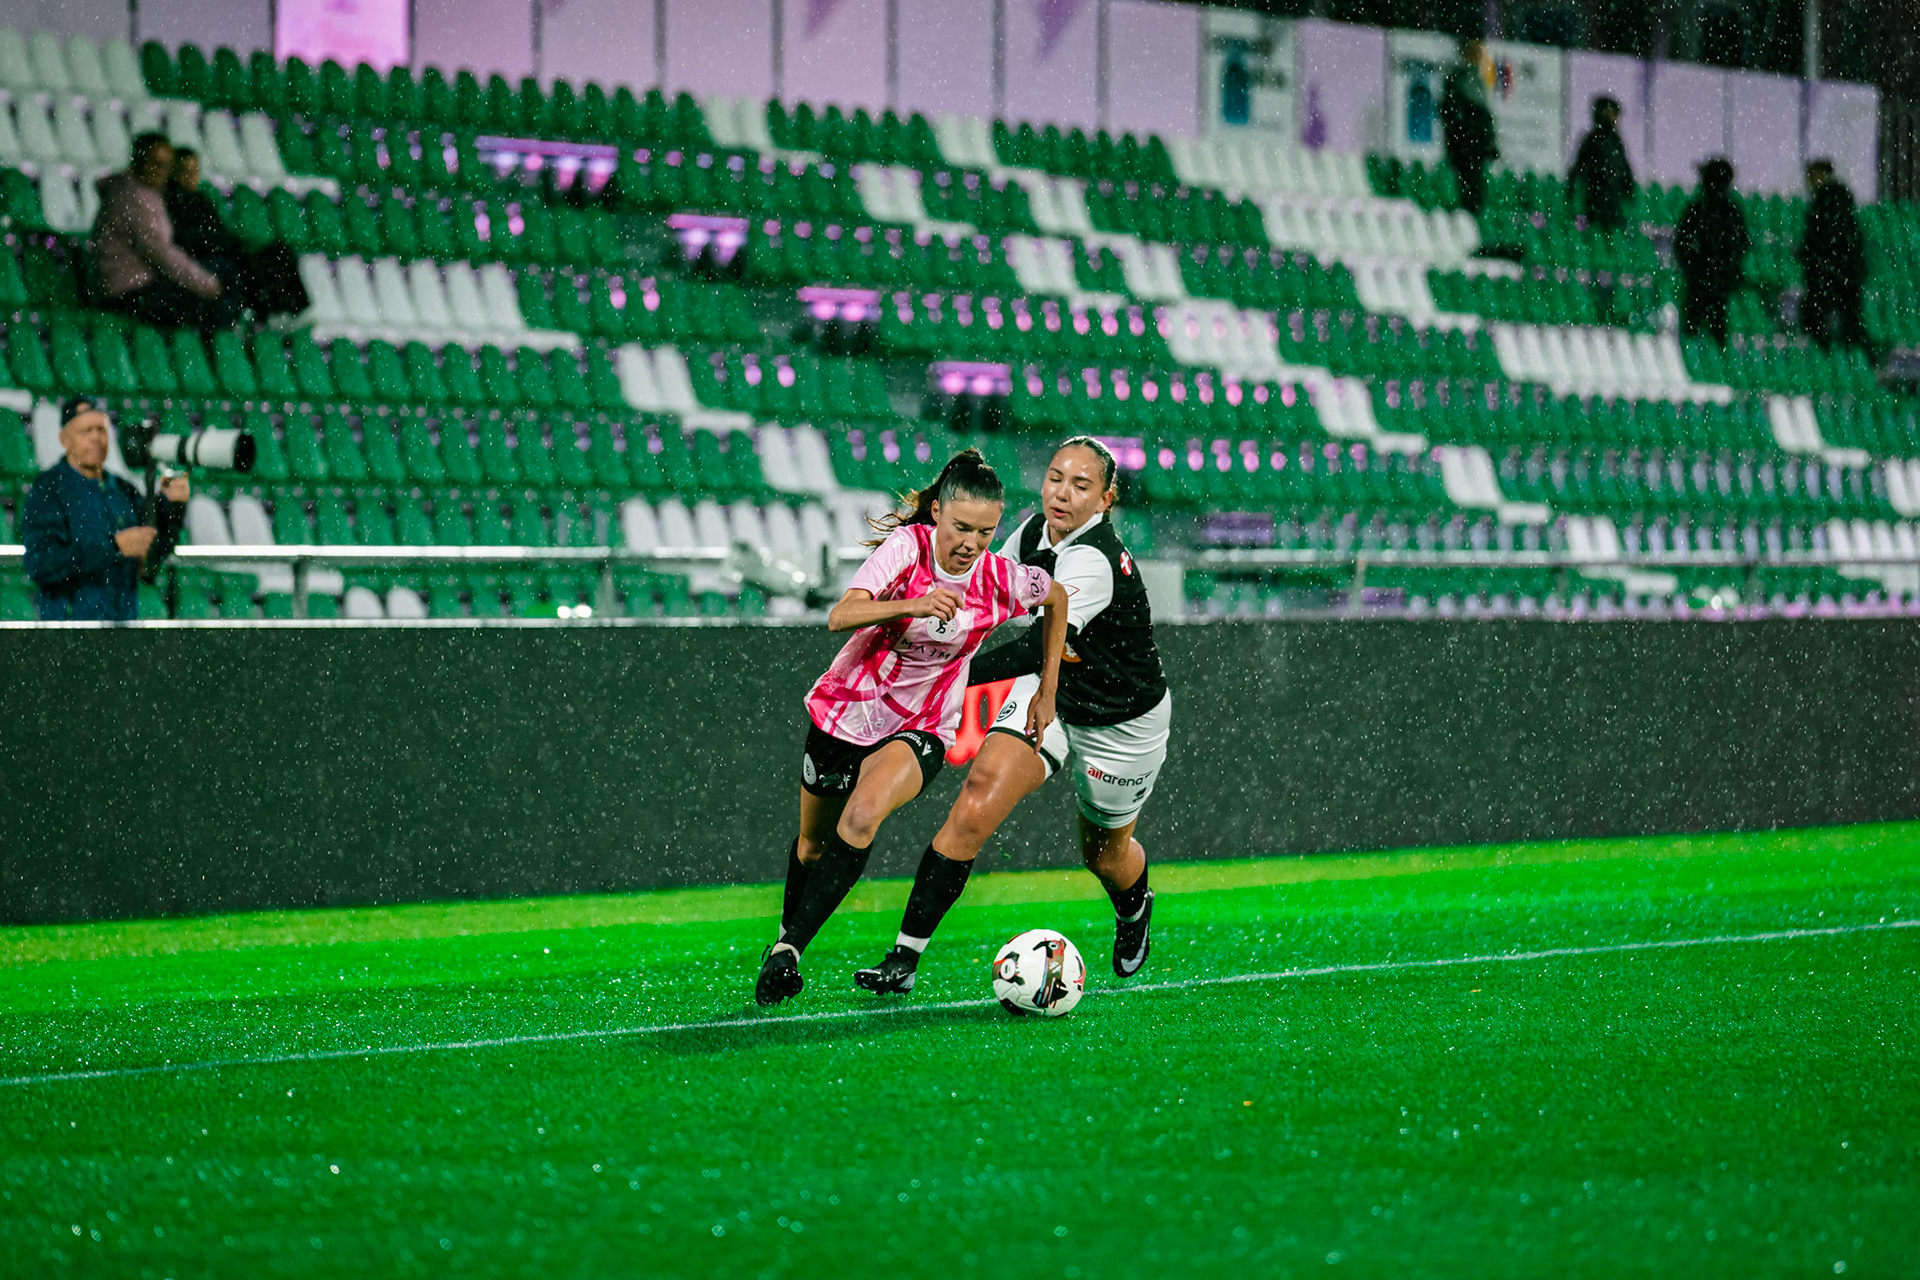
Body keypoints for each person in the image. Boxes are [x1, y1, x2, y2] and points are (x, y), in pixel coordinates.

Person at [852, 437, 1173, 995]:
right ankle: (904, 959)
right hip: (1049, 690)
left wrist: (949, 670)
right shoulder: (1030, 534)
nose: (1062, 494)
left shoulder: (1093, 559)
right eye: (1055, 478)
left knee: (1104, 853)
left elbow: (1036, 642)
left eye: (1081, 485)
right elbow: (985, 597)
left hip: (1121, 721)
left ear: (1106, 499)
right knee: (977, 796)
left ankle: (1133, 904)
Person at [755, 448, 1070, 1006]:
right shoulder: (907, 550)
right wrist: (914, 604)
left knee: (862, 814)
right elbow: (840, 616)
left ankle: (790, 952)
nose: (971, 542)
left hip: (923, 724)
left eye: (986, 530)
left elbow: (1056, 595)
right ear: (938, 517)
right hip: (844, 713)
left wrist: (1046, 692)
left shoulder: (999, 578)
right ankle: (784, 942)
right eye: (961, 527)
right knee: (811, 846)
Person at [21, 397, 187, 621]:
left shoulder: (122, 489)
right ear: (64, 439)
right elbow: (41, 563)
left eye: (101, 429)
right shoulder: (48, 489)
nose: (96, 438)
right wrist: (114, 547)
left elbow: (152, 555)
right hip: (70, 634)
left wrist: (171, 507)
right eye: (85, 431)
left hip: (121, 629)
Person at [92, 132, 240, 331]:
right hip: (130, 293)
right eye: (154, 163)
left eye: (165, 165)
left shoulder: (140, 192)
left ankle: (229, 334)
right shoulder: (134, 198)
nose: (160, 171)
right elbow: (160, 253)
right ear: (139, 160)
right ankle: (224, 341)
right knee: (214, 288)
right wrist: (207, 285)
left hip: (138, 287)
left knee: (224, 270)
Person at [166, 147, 310, 320]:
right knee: (248, 265)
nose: (191, 177)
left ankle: (291, 312)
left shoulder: (200, 199)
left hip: (221, 249)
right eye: (185, 171)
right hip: (202, 257)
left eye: (194, 171)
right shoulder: (168, 201)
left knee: (280, 252)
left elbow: (220, 232)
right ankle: (262, 314)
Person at [1674, 157, 1749, 345]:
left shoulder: (1697, 209)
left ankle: (1698, 363)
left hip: (1699, 281)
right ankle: (1716, 361)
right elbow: (1741, 246)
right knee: (1717, 330)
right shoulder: (1732, 211)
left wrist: (1694, 267)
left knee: (1692, 329)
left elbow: (1683, 245)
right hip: (1719, 283)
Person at [1799, 159, 1868, 349]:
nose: (1809, 181)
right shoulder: (1835, 202)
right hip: (1841, 271)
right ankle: (1851, 358)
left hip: (1833, 272)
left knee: (1824, 317)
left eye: (1812, 176)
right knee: (1848, 318)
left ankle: (1836, 356)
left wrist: (1815, 258)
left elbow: (1828, 238)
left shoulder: (1828, 203)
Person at [1440, 39, 1499, 215]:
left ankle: (1470, 215)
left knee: (1474, 187)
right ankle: (1467, 217)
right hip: (1467, 145)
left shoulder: (1473, 80)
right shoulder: (1460, 79)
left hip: (1472, 146)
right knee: (1469, 187)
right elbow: (1453, 114)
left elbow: (1483, 118)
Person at [1569, 95, 1636, 233]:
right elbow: (1578, 169)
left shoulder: (1616, 141)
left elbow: (1624, 168)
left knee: (1613, 236)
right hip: (1597, 203)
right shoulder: (1592, 140)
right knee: (1599, 237)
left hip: (1613, 204)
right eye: (1611, 113)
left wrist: (1628, 188)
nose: (1615, 119)